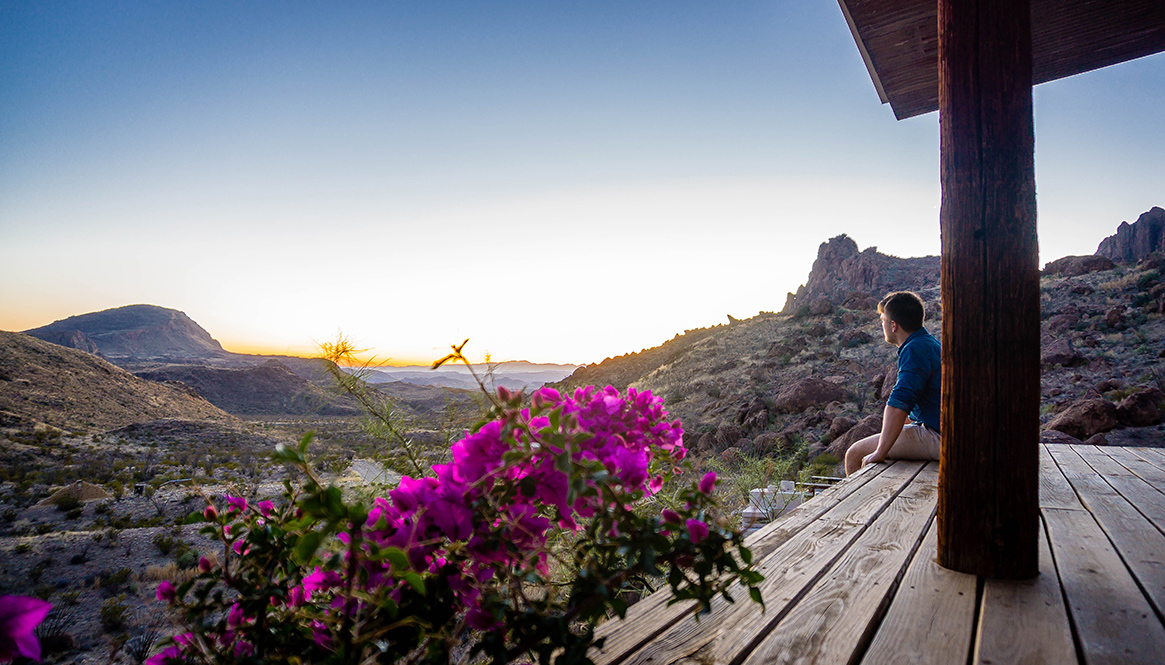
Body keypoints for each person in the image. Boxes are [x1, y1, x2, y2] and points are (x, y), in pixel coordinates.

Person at [845, 291, 941, 476]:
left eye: (882, 320)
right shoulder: (928, 343)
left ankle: (864, 505)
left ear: (893, 325)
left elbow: (899, 403)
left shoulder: (914, 349)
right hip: (939, 427)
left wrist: (879, 453)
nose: (882, 325)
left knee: (856, 453)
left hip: (938, 435)